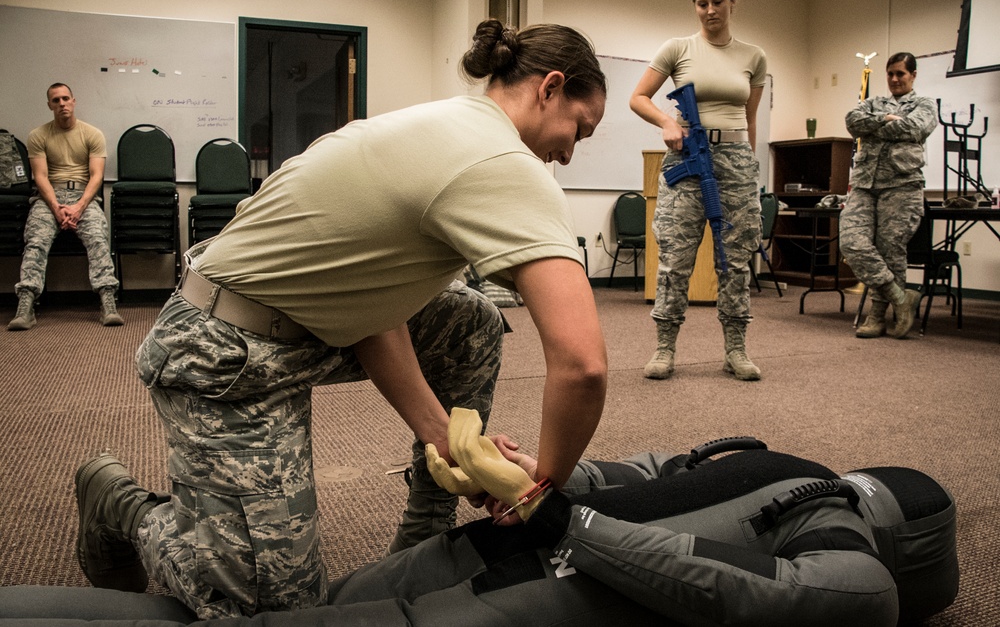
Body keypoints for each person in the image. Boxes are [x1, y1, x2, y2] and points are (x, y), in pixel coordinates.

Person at [73, 19, 609, 619]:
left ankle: (429, 522)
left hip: (303, 322)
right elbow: (582, 365)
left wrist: (443, 437)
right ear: (550, 88)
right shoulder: (503, 162)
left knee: (469, 321)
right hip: (221, 351)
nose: (568, 151)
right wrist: (541, 496)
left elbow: (378, 302)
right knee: (274, 611)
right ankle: (119, 504)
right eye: (579, 130)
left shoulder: (443, 125)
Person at [4, 414, 959, 626]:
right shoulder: (775, 472)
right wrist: (509, 470)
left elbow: (794, 605)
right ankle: (120, 506)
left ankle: (118, 502)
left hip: (504, 586)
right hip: (487, 562)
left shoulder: (834, 529)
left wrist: (558, 514)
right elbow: (624, 475)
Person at [629, 0, 767, 381]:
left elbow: (750, 117)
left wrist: (751, 165)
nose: (710, 10)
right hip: (687, 157)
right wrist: (667, 125)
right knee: (675, 259)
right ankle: (665, 348)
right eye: (702, 3)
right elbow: (638, 97)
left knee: (736, 260)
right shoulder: (678, 48)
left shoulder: (754, 56)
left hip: (737, 161)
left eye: (717, 1)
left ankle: (736, 350)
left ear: (731, 2)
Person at [7, 83, 122, 331]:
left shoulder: (92, 134)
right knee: (36, 239)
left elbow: (96, 177)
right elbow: (40, 177)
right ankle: (26, 305)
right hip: (49, 197)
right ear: (49, 105)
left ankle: (107, 302)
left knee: (98, 238)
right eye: (56, 100)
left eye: (65, 99)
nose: (62, 104)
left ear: (73, 101)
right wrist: (57, 207)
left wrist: (79, 207)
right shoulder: (38, 135)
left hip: (84, 195)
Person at [840, 52, 937, 339]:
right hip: (865, 185)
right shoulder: (874, 103)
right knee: (851, 242)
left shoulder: (924, 104)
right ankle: (900, 296)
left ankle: (877, 317)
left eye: (901, 74)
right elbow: (852, 122)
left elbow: (915, 127)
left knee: (889, 250)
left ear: (913, 75)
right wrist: (885, 117)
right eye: (890, 74)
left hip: (902, 185)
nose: (895, 79)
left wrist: (876, 126)